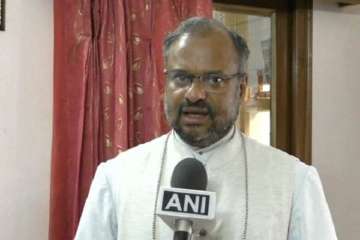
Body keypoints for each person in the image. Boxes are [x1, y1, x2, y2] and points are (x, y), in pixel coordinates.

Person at [75, 17, 337, 240]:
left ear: (241, 89)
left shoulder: (294, 182)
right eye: (182, 77)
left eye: (215, 80)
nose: (195, 94)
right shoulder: (117, 177)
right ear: (165, 84)